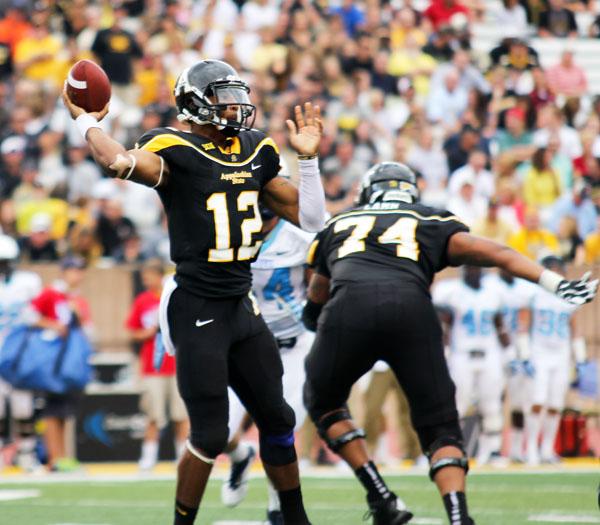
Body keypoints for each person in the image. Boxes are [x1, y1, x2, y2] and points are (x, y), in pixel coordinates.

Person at [62, 59, 325, 525]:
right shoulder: (173, 146)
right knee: (208, 433)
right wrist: (86, 122)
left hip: (242, 303)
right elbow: (119, 161)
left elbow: (311, 219)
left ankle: (295, 519)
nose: (235, 107)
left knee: (279, 418)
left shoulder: (255, 148)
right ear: (193, 103)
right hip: (197, 303)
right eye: (222, 97)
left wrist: (309, 161)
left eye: (235, 96)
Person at [301, 162, 597, 525]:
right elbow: (496, 252)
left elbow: (318, 290)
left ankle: (380, 496)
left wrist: (315, 320)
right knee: (440, 426)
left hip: (348, 309)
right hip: (411, 309)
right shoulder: (429, 218)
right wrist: (552, 281)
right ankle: (458, 517)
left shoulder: (340, 222)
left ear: (367, 193)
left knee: (323, 400)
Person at [222, 207, 316, 524]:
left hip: (293, 345)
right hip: (248, 343)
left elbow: (324, 274)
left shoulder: (299, 237)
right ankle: (240, 457)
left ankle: (277, 505)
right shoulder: (230, 234)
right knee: (219, 431)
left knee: (281, 431)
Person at [433, 266, 511, 465]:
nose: (473, 272)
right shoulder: (452, 292)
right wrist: (444, 350)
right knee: (458, 403)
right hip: (462, 354)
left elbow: (499, 323)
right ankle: (455, 446)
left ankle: (492, 450)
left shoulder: (493, 293)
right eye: (469, 268)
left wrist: (510, 352)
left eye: (476, 269)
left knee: (491, 404)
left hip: (490, 353)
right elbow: (444, 324)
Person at [523, 256, 587, 466]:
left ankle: (547, 448)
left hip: (561, 354)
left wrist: (581, 358)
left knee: (555, 404)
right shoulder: (534, 295)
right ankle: (531, 447)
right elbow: (524, 323)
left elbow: (574, 328)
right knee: (537, 401)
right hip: (539, 352)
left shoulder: (567, 297)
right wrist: (523, 354)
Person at [126, 259, 189, 471]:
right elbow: (133, 331)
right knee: (153, 414)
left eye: (149, 275)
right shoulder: (142, 301)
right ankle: (148, 456)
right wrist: (148, 332)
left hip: (176, 364)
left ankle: (183, 455)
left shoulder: (171, 297)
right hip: (153, 366)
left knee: (181, 414)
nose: (146, 280)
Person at [30, 256, 91, 472]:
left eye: (81, 270)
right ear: (64, 272)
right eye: (74, 270)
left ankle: (62, 457)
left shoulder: (76, 298)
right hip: (51, 361)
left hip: (68, 363)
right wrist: (53, 325)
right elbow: (29, 316)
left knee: (64, 411)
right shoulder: (52, 293)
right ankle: (53, 458)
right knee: (51, 411)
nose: (78, 275)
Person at [483, 269, 536, 463]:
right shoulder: (489, 286)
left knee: (519, 402)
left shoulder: (524, 289)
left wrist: (523, 353)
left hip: (515, 350)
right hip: (493, 350)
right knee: (491, 399)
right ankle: (490, 448)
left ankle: (516, 448)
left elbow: (524, 322)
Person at [0, 235, 42, 471]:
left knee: (23, 408)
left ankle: (27, 455)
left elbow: (37, 313)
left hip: (18, 355)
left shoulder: (26, 283)